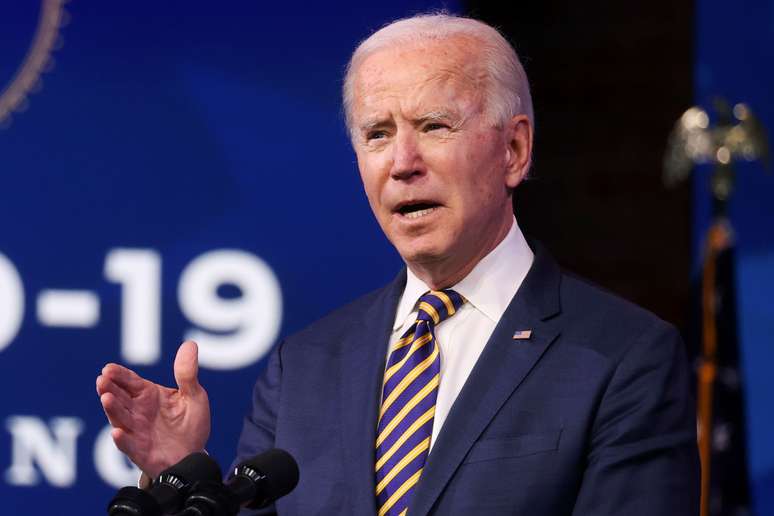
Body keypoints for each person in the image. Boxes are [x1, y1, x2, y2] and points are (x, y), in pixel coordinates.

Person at [97, 13, 699, 516]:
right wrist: (181, 474)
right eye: (377, 134)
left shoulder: (625, 360)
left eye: (435, 126)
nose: (402, 162)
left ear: (514, 150)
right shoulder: (303, 367)